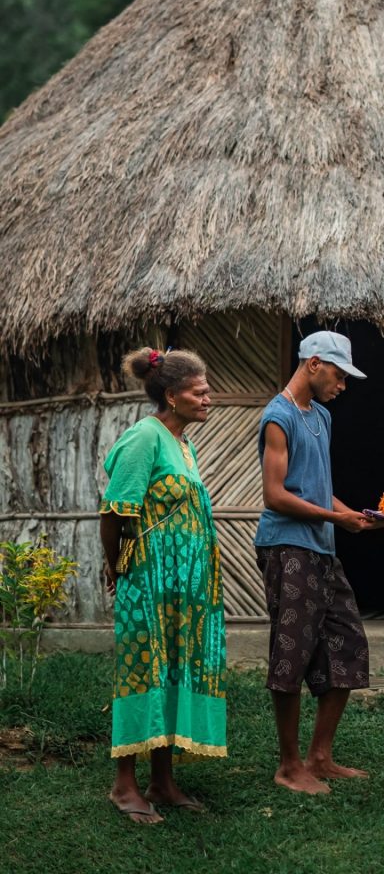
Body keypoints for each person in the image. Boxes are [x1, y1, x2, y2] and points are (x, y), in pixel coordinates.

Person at [99, 347, 226, 824]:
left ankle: (162, 780)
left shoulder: (182, 443)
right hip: (149, 580)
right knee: (141, 671)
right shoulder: (144, 438)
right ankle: (123, 785)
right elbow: (115, 510)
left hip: (183, 587)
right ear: (171, 396)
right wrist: (117, 567)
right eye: (199, 392)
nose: (208, 398)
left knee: (173, 669)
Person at [256, 330, 374, 795]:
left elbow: (316, 486)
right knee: (291, 653)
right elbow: (276, 495)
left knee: (348, 643)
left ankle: (319, 756)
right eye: (339, 374)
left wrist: (351, 515)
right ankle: (289, 765)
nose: (342, 385)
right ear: (314, 364)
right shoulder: (277, 417)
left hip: (321, 547)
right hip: (287, 547)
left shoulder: (321, 416)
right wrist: (335, 518)